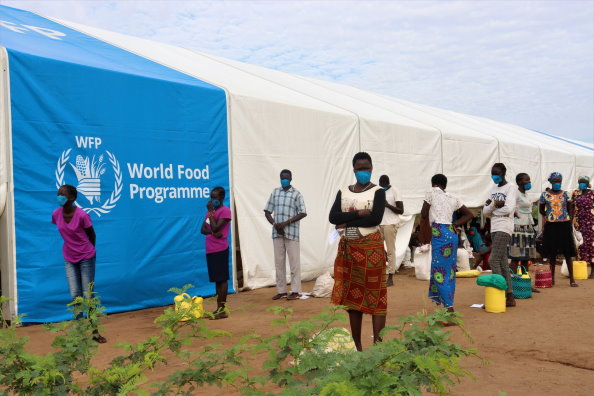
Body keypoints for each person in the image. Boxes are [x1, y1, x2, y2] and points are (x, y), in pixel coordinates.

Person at [329, 152, 386, 351]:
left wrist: (346, 220)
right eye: (360, 168)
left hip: (372, 250)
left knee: (376, 295)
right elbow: (332, 217)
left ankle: (378, 346)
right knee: (353, 299)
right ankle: (357, 346)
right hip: (349, 250)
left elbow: (375, 219)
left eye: (367, 168)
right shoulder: (343, 191)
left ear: (372, 168)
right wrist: (359, 213)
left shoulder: (378, 191)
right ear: (354, 170)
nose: (364, 172)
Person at [52, 184, 105, 343]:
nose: (59, 197)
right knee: (75, 295)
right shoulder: (56, 214)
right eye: (58, 194)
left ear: (72, 198)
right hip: (69, 257)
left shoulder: (82, 215)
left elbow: (92, 235)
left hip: (86, 257)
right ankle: (80, 334)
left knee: (88, 295)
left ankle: (95, 332)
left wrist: (88, 252)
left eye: (63, 195)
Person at [419, 174, 473, 325]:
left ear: (434, 183)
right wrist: (455, 225)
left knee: (439, 272)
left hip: (439, 234)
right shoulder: (453, 198)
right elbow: (469, 214)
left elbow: (424, 213)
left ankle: (450, 312)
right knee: (448, 272)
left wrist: (424, 233)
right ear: (445, 185)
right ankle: (445, 309)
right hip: (451, 233)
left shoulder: (431, 192)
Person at [264, 169, 307, 300]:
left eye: (286, 178)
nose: (284, 180)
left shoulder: (296, 194)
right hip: (277, 233)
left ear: (291, 178)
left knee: (294, 263)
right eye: (282, 178)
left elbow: (303, 212)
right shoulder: (275, 192)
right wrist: (275, 224)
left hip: (292, 233)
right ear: (280, 178)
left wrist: (286, 222)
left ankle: (295, 291)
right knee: (279, 263)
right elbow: (267, 211)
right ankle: (282, 291)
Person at [483, 163, 517, 307]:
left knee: (493, 260)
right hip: (494, 227)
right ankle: (510, 297)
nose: (494, 175)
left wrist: (493, 208)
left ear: (503, 173)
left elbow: (509, 208)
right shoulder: (493, 189)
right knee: (502, 262)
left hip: (504, 226)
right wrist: (496, 204)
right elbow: (485, 212)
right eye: (492, 173)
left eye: (496, 173)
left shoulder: (511, 188)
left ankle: (499, 294)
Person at [539, 172, 578, 287]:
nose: (558, 183)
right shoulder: (544, 194)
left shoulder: (566, 194)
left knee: (567, 252)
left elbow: (571, 207)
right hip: (551, 225)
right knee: (552, 253)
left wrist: (569, 220)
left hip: (564, 225)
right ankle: (552, 279)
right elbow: (541, 209)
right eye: (555, 181)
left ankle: (572, 279)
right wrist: (548, 215)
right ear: (551, 182)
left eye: (559, 181)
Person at [200, 186, 232, 319]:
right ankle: (218, 308)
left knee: (222, 279)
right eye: (211, 197)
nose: (213, 200)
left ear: (222, 198)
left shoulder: (225, 211)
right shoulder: (210, 213)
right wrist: (214, 232)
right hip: (210, 249)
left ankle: (222, 309)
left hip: (220, 249)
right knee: (216, 281)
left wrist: (212, 215)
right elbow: (203, 229)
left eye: (215, 197)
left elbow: (215, 226)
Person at [378, 175, 404, 286]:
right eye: (380, 185)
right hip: (379, 224)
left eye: (383, 185)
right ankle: (380, 274)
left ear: (387, 183)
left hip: (390, 223)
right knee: (378, 250)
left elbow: (401, 210)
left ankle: (390, 276)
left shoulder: (395, 191)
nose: (382, 187)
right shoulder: (378, 191)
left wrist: (387, 205)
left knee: (390, 250)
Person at [509, 173, 537, 273]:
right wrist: (513, 212)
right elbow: (508, 206)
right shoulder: (515, 193)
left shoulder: (526, 194)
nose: (529, 182)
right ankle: (512, 283)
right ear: (519, 182)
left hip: (527, 227)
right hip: (518, 227)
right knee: (516, 257)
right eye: (527, 180)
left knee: (526, 257)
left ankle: (524, 284)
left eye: (529, 180)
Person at [572, 176, 594, 278]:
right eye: (580, 182)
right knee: (580, 245)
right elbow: (571, 207)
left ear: (587, 183)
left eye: (584, 182)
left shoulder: (592, 193)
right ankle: (581, 270)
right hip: (579, 223)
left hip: (591, 223)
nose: (582, 184)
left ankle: (593, 271)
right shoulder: (575, 193)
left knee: (591, 246)